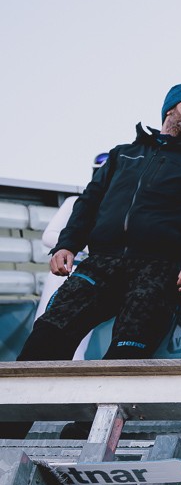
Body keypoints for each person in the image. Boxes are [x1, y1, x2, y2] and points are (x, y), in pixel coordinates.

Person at [18, 83, 181, 361]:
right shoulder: (123, 154)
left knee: (126, 357)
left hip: (159, 271)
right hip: (100, 264)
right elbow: (89, 202)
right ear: (170, 109)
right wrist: (67, 244)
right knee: (45, 339)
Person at [31, 152, 110, 359]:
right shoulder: (76, 201)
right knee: (45, 325)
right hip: (66, 271)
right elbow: (49, 236)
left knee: (79, 337)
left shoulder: (117, 209)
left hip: (97, 276)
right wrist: (80, 245)